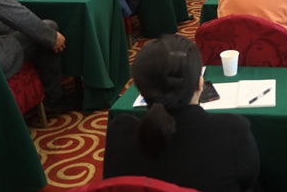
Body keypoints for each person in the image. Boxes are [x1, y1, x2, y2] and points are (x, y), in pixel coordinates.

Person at [103, 34, 260, 191]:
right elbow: (249, 182)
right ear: (200, 83)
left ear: (141, 91)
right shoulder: (233, 132)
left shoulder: (119, 130)